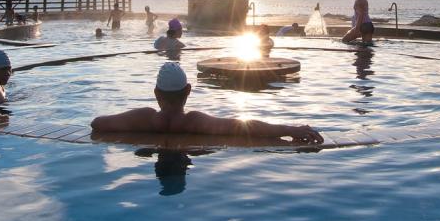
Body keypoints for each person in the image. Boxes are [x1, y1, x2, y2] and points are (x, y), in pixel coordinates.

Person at [91, 62, 323, 144]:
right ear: (188, 91)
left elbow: (98, 123)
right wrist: (291, 129)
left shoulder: (144, 118)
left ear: (156, 93)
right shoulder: (194, 122)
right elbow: (245, 126)